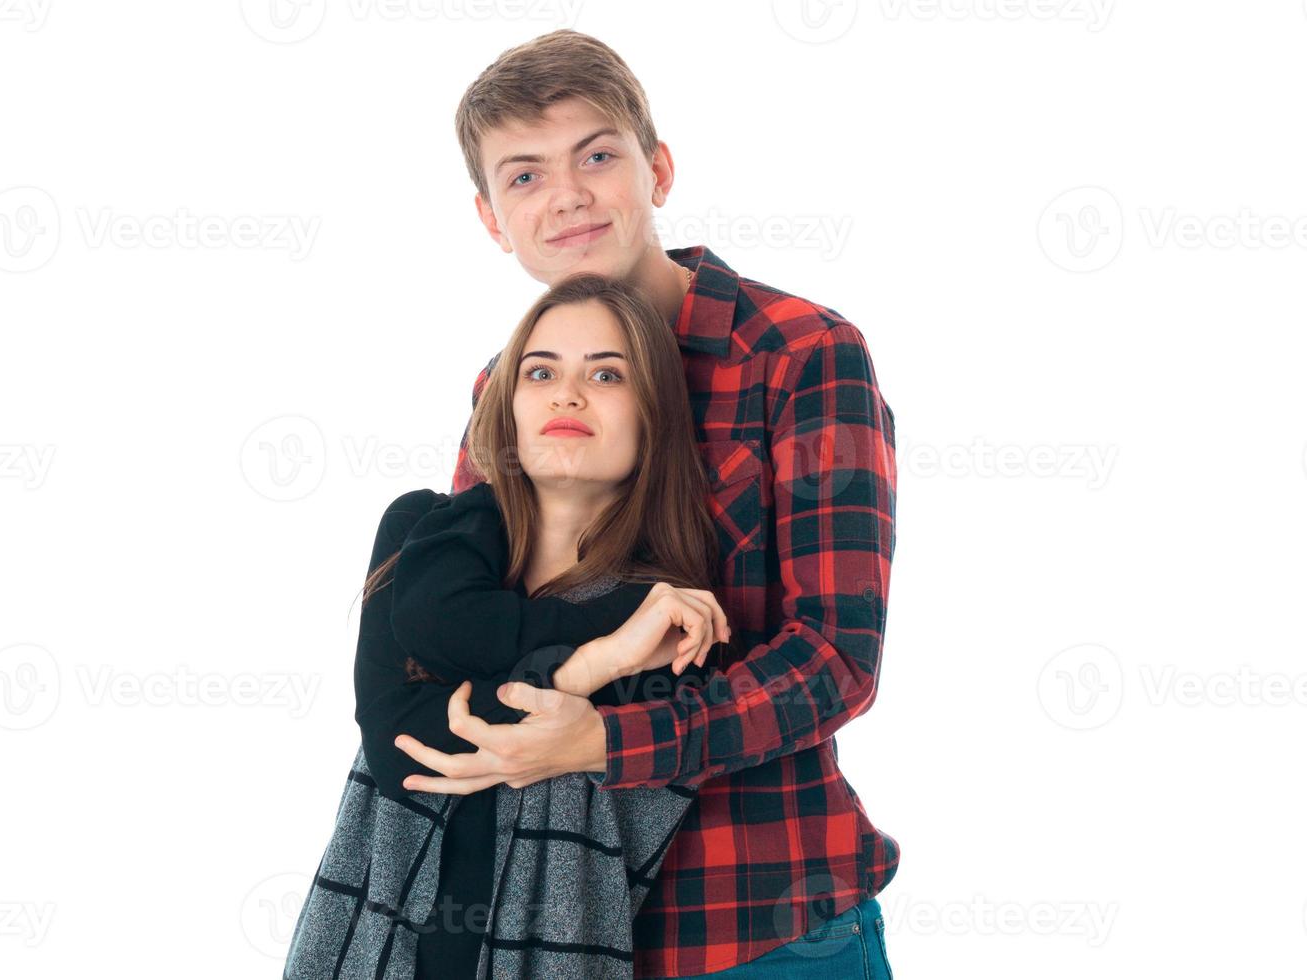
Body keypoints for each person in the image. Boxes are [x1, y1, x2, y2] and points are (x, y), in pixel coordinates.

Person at [393, 29, 901, 978]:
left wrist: (606, 741)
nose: (569, 196)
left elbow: (836, 658)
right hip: (552, 929)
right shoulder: (506, 391)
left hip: (764, 924)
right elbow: (456, 642)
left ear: (657, 169)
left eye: (597, 155)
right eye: (525, 176)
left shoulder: (800, 355)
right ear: (492, 218)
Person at [283, 273, 735, 979]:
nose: (567, 394)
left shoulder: (663, 615)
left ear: (654, 418)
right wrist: (586, 669)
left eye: (607, 374)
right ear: (509, 406)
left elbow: (457, 735)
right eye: (540, 370)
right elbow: (400, 740)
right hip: (360, 954)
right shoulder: (421, 533)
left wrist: (607, 660)